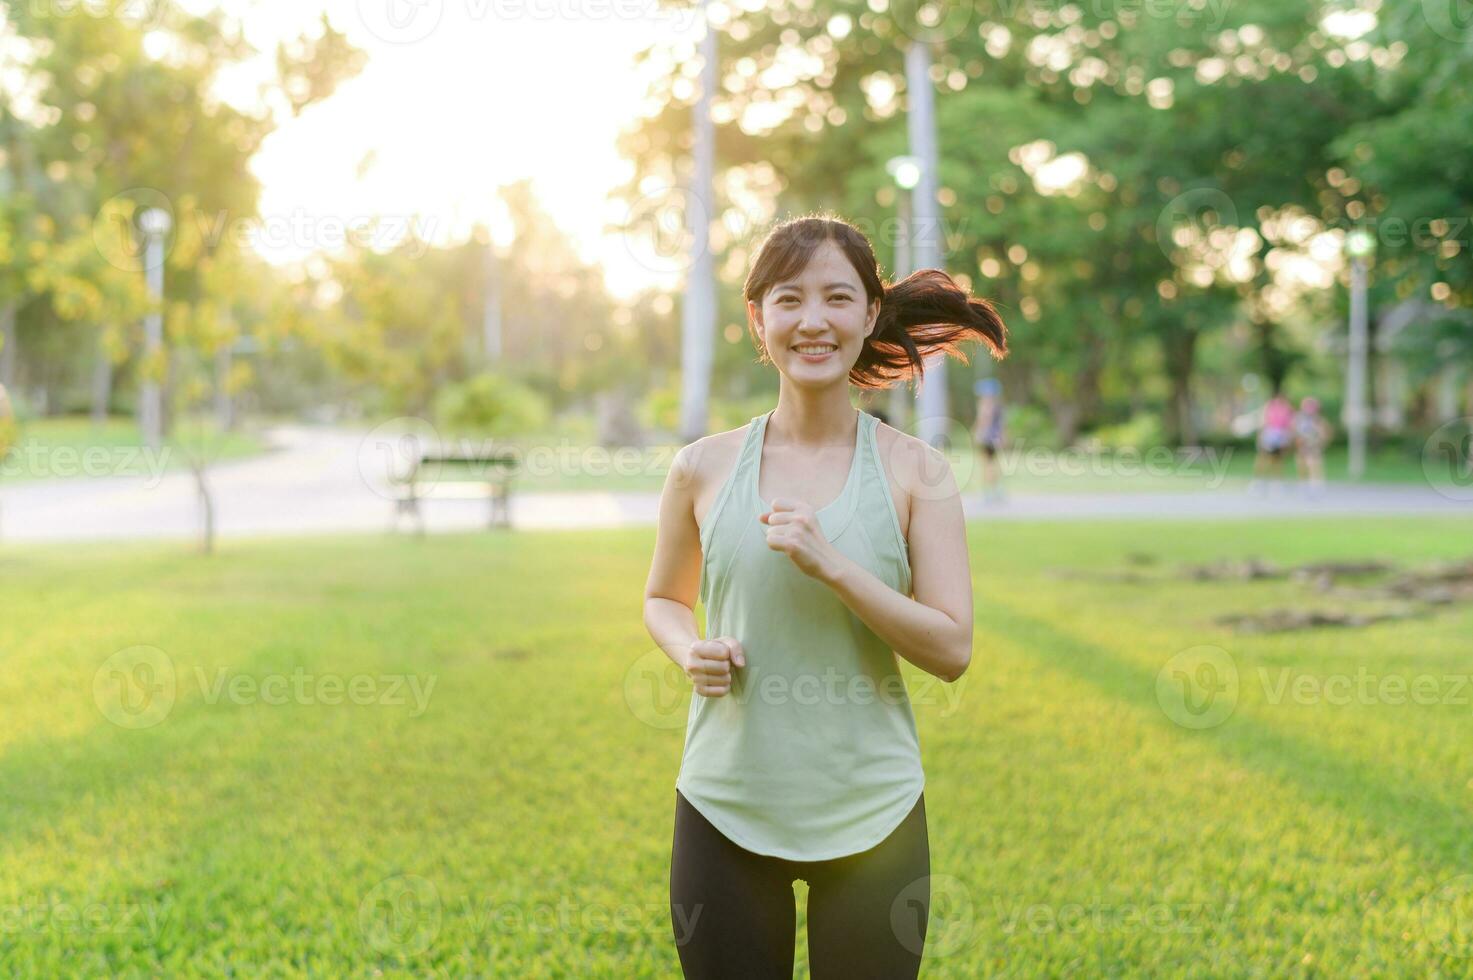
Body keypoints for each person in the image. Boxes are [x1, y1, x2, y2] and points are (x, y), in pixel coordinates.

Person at [643, 214, 1008, 979]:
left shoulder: (918, 472)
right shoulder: (700, 468)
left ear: (869, 314)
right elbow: (663, 600)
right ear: (758, 318)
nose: (813, 321)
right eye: (788, 299)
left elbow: (951, 649)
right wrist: (689, 650)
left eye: (837, 298)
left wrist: (831, 562)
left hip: (874, 812)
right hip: (724, 805)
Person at [1249, 393, 1294, 494]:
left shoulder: (1287, 408)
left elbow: (1289, 425)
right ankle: (1258, 482)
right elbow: (1263, 421)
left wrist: (1288, 439)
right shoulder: (1269, 407)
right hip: (1270, 435)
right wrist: (1261, 436)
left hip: (1280, 436)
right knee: (1263, 458)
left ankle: (1276, 483)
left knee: (1277, 460)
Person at [972, 376, 1006, 503]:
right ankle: (996, 490)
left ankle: (988, 492)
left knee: (987, 465)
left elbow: (983, 421)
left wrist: (975, 432)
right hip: (995, 438)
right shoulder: (998, 406)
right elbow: (1002, 425)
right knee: (994, 464)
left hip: (986, 438)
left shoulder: (985, 405)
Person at [1292, 396, 1333, 495]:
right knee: (1301, 464)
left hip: (1313, 444)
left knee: (1313, 464)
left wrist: (1321, 442)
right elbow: (1294, 431)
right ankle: (1304, 484)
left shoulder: (1318, 420)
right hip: (1302, 444)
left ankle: (1316, 486)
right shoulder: (1299, 418)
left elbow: (1325, 433)